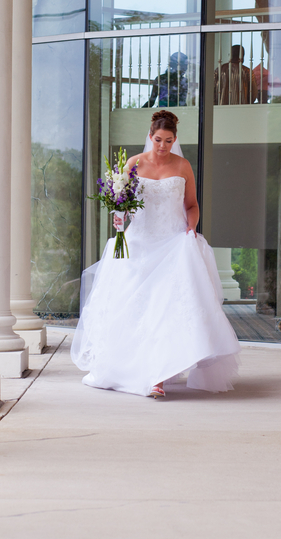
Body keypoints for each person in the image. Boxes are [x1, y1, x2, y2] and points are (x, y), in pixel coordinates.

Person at [71, 109, 241, 398]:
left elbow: (191, 205)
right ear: (150, 137)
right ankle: (136, 369)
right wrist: (118, 216)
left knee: (168, 310)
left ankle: (158, 376)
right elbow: (120, 204)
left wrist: (191, 228)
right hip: (138, 245)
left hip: (174, 244)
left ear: (175, 139)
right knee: (139, 310)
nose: (163, 146)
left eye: (169, 140)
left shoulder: (183, 166)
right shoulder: (134, 165)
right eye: (159, 140)